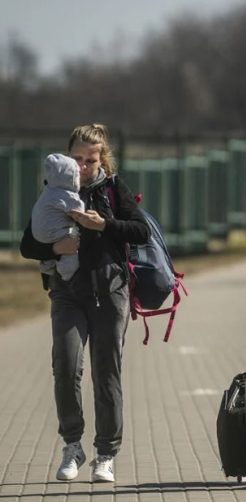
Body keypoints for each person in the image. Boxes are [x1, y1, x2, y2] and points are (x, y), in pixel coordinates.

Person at [19, 124, 149, 483]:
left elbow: (142, 231)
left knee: (106, 373)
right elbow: (28, 244)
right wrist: (54, 249)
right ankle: (72, 445)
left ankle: (105, 453)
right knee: (66, 364)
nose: (84, 166)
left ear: (101, 159)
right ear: (67, 158)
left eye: (91, 160)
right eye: (77, 159)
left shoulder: (112, 188)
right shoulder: (55, 191)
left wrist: (104, 224)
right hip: (67, 292)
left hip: (109, 292)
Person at [31, 154, 85, 281]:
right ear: (70, 177)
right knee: (73, 236)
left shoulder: (48, 190)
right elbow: (79, 212)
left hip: (38, 234)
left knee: (57, 239)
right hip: (53, 233)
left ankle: (47, 265)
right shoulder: (66, 195)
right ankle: (67, 272)